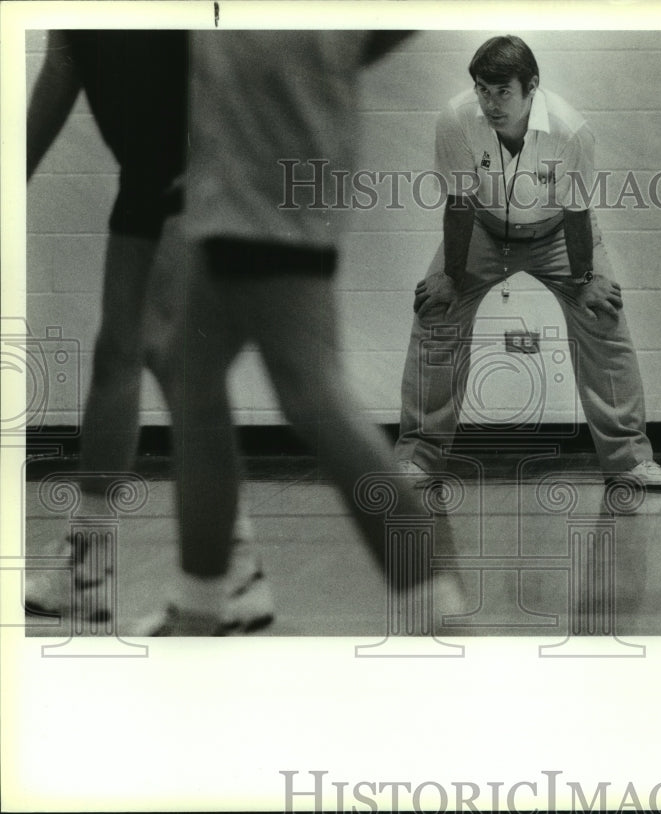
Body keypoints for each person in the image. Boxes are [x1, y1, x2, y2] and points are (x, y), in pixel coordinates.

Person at [135, 30, 462, 635]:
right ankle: (203, 605)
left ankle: (444, 623)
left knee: (312, 393)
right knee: (187, 367)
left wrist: (309, 58)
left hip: (265, 152)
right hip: (256, 147)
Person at [23, 30, 270, 631]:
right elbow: (63, 62)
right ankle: (91, 569)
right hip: (149, 173)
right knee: (124, 357)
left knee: (171, 361)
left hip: (183, 168)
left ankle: (232, 572)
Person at [395, 35, 661, 491]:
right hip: (482, 228)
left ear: (532, 86)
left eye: (502, 91)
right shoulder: (456, 119)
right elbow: (459, 204)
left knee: (602, 313)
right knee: (435, 311)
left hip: (557, 234)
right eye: (482, 90)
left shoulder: (570, 129)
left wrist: (585, 280)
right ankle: (419, 459)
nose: (490, 103)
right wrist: (450, 277)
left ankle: (629, 461)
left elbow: (577, 213)